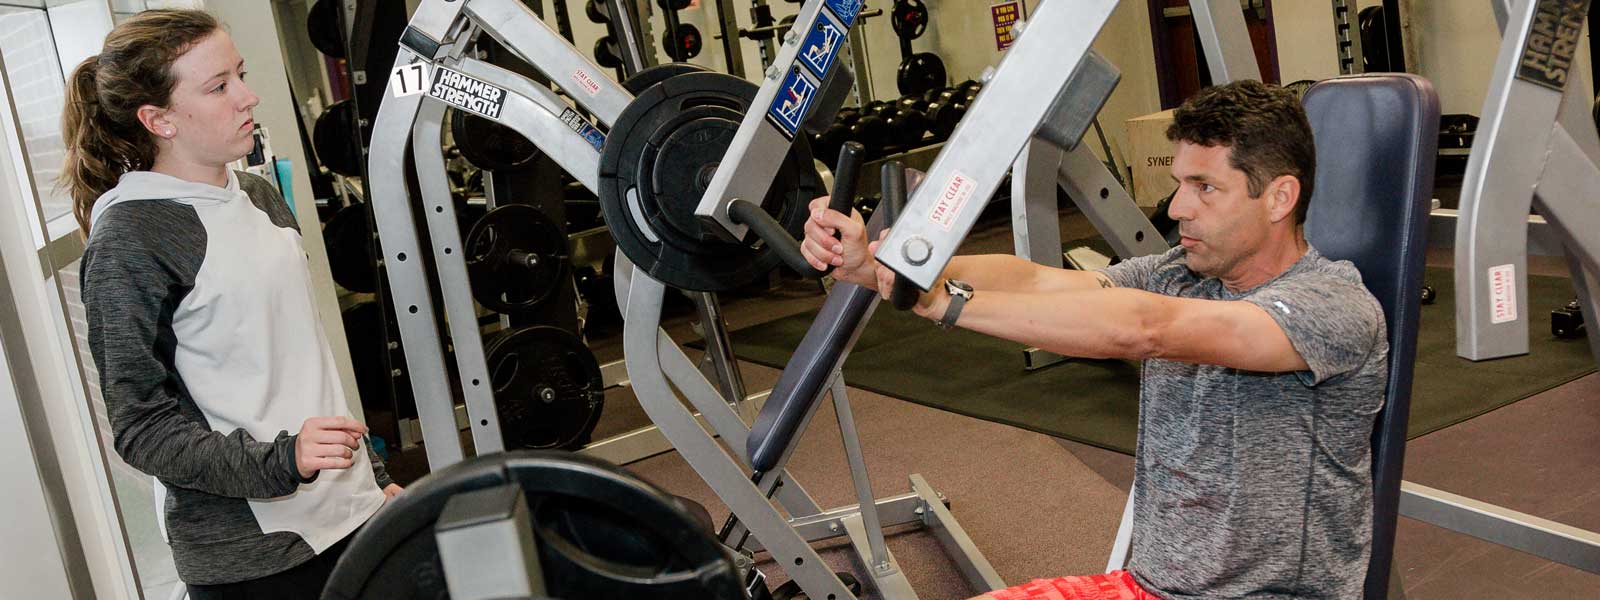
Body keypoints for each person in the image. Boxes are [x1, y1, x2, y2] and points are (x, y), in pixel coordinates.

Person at [802, 80, 1388, 599]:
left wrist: (944, 302)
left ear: (1280, 198)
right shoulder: (1176, 274)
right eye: (1180, 183)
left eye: (1205, 187)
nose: (1178, 206)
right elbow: (1036, 280)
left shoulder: (1331, 307)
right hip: (1145, 587)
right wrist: (886, 266)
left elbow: (1149, 329)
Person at [65, 10, 399, 599]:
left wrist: (371, 482)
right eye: (219, 87)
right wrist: (283, 461)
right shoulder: (131, 237)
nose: (249, 96)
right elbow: (140, 426)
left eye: (239, 74)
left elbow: (299, 364)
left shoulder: (259, 197)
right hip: (254, 560)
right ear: (159, 119)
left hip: (350, 515)